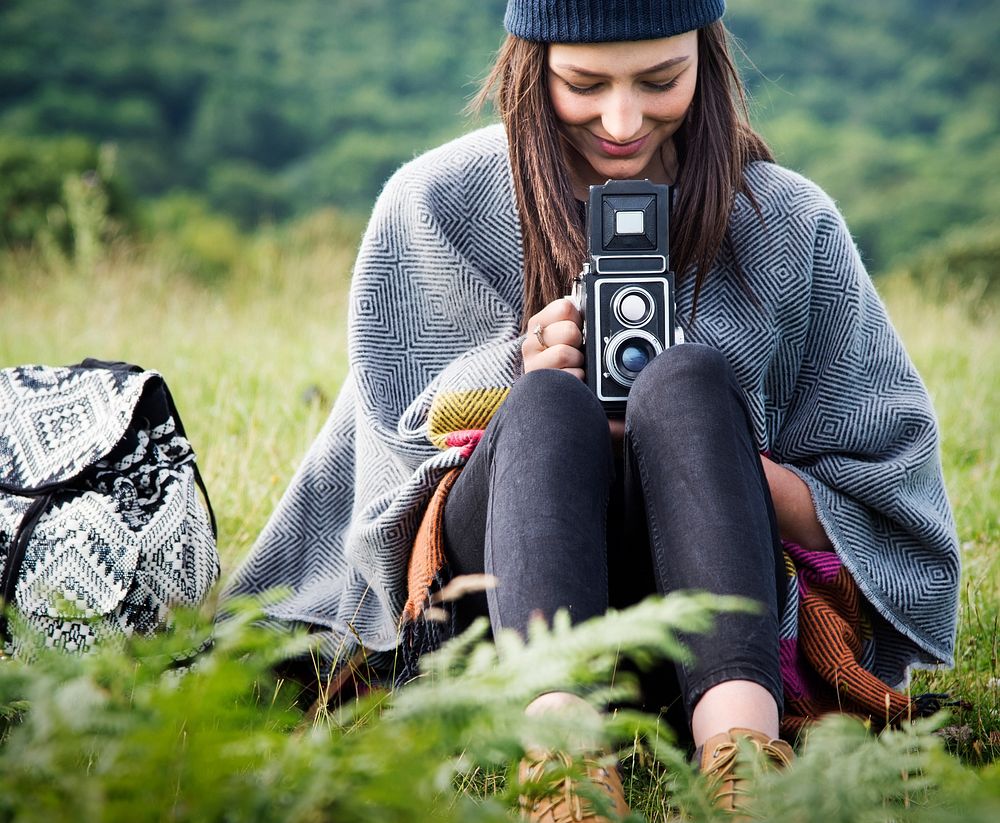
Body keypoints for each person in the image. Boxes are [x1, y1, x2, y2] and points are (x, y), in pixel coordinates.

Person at [225, 1, 960, 818]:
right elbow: (391, 497)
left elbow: (885, 502)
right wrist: (518, 378)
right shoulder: (435, 204)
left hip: (715, 624)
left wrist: (710, 458)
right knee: (545, 403)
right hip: (491, 624)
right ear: (529, 65)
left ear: (707, 61)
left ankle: (744, 757)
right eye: (583, 83)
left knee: (685, 381)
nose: (622, 119)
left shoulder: (786, 223)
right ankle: (561, 768)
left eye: (660, 80)